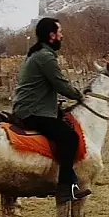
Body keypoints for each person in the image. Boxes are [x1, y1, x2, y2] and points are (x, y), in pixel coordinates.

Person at [11, 17, 91, 203]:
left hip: (34, 107)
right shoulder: (45, 57)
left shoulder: (38, 54)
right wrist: (80, 96)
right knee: (70, 138)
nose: (62, 35)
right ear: (52, 35)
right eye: (60, 32)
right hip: (33, 111)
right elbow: (60, 84)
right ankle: (64, 188)